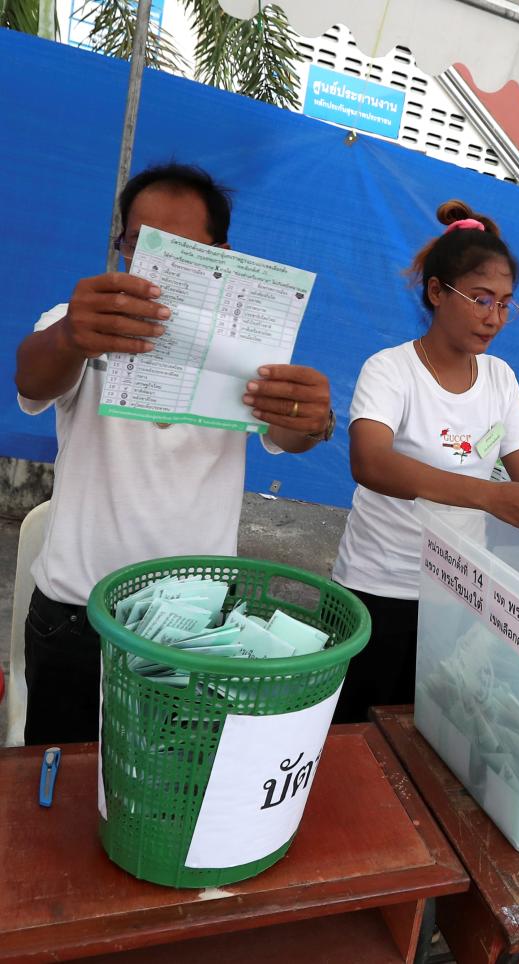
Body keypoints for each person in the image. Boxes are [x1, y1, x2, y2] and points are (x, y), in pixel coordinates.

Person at [15, 162, 335, 746]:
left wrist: (313, 419)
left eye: (185, 249)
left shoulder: (249, 350)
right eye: (142, 245)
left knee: (170, 790)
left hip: (195, 625)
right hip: (74, 615)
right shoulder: (79, 325)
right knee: (57, 787)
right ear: (121, 249)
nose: (160, 266)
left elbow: (289, 435)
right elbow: (32, 382)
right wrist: (68, 337)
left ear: (225, 255)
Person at [329, 200, 519, 724]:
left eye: (505, 304)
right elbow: (371, 463)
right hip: (378, 587)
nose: (494, 318)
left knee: (428, 728)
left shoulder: (500, 378)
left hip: (457, 588)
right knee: (353, 732)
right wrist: (489, 495)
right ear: (436, 292)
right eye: (481, 300)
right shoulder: (391, 371)